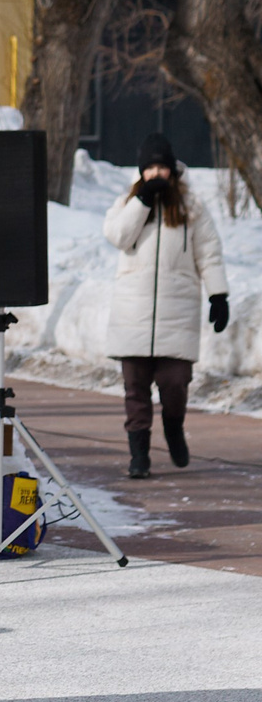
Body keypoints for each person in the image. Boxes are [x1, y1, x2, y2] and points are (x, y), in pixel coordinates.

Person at [106, 133, 230, 479]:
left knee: (175, 384)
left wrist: (218, 295)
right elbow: (117, 236)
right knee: (136, 390)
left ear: (172, 170)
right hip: (133, 312)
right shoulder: (128, 201)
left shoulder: (191, 206)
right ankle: (139, 456)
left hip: (178, 310)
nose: (156, 174)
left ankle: (173, 428)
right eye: (150, 168)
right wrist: (142, 202)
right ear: (141, 171)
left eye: (162, 167)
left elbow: (209, 252)